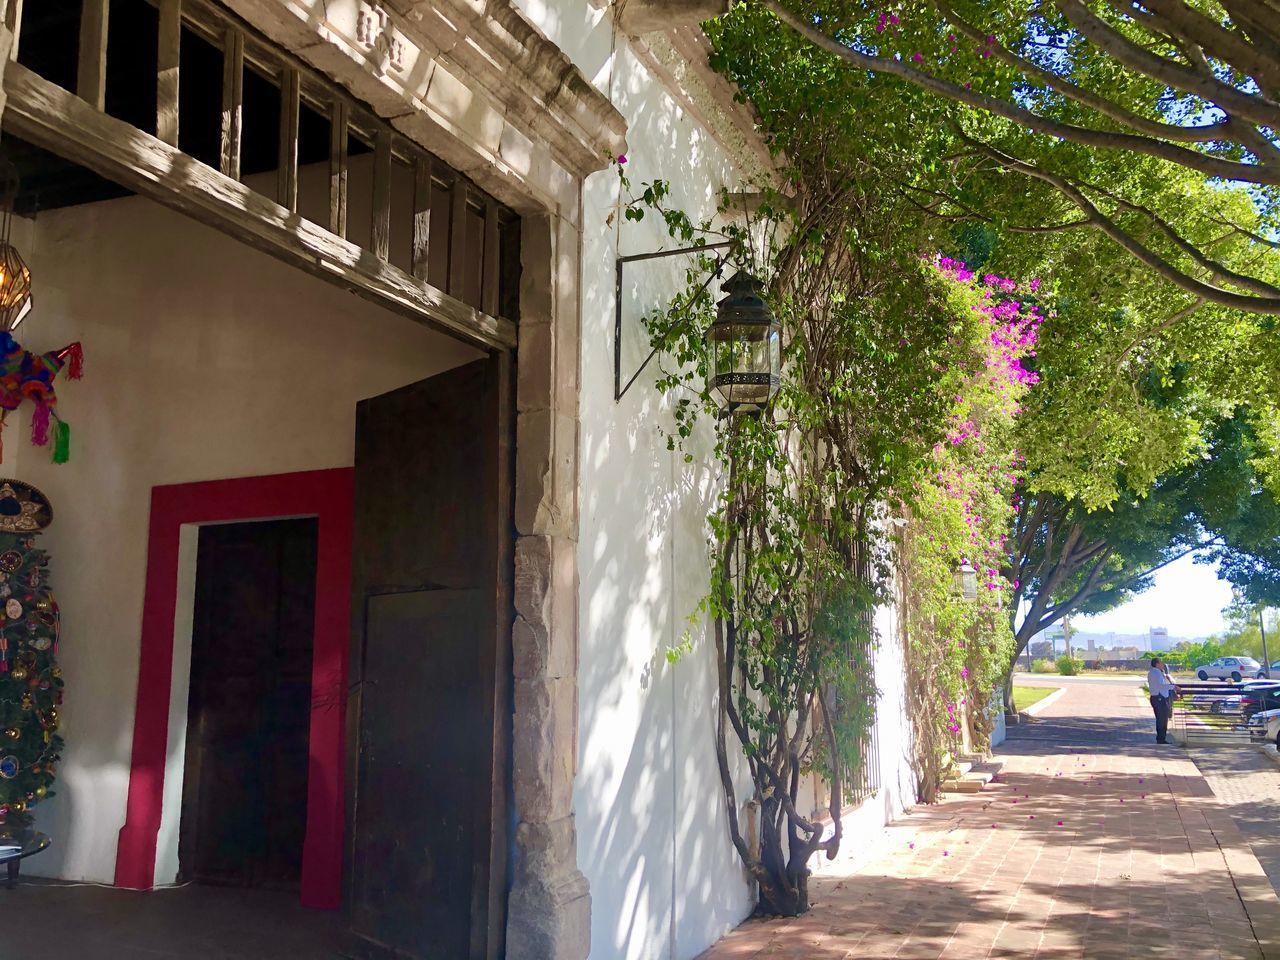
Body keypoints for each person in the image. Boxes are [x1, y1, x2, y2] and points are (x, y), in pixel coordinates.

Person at [1147, 658, 1178, 744]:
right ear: (1157, 664)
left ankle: (1161, 738)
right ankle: (1161, 739)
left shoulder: (1152, 672)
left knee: (1160, 719)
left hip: (1155, 697)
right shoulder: (1156, 673)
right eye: (1161, 663)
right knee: (1162, 719)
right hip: (1160, 698)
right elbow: (1161, 685)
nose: (1163, 665)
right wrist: (1173, 687)